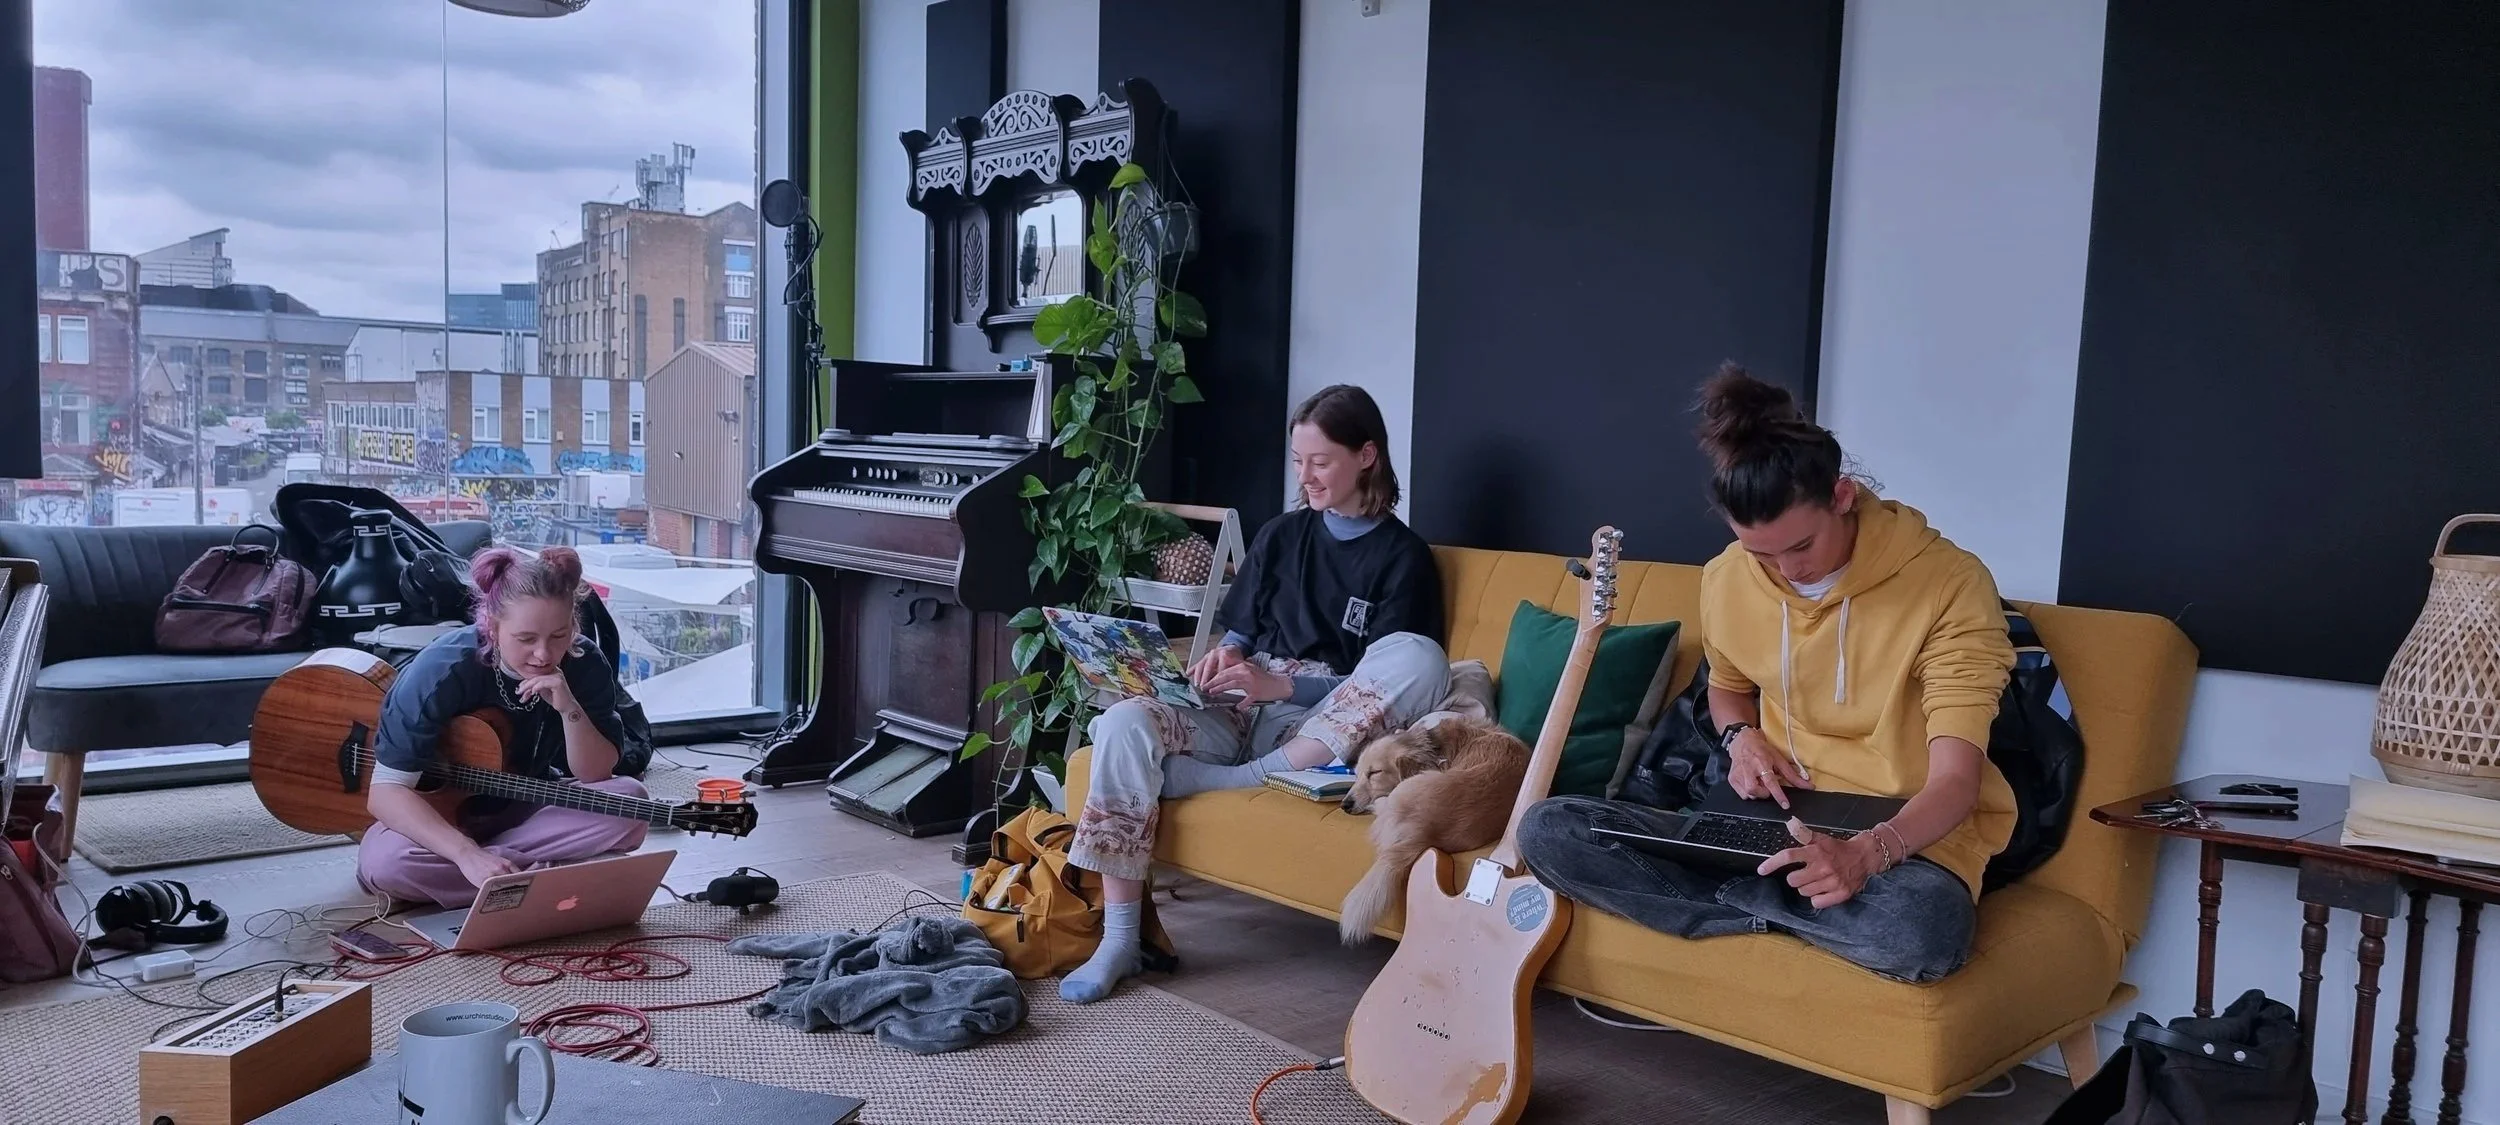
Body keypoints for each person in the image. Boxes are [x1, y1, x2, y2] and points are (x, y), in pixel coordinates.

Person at [1515, 364, 2016, 984]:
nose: (1786, 570)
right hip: (1766, 822)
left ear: (1842, 495)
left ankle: (1727, 907)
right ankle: (1786, 913)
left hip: (1901, 837)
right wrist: (1739, 739)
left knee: (1924, 929)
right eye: (1762, 554)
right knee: (1547, 828)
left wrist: (1864, 856)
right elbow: (1728, 688)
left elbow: (1957, 783)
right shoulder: (1727, 577)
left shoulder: (1950, 585)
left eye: (1801, 546)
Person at [1062, 384, 1452, 1003]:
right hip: (1239, 706)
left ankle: (1247, 778)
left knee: (1422, 655)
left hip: (1321, 726)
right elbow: (1241, 633)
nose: (1307, 476)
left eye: (1320, 461)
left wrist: (1286, 684)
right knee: (1123, 723)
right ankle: (1121, 940)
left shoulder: (1403, 559)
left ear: (1367, 455)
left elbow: (1381, 679)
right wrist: (1227, 657)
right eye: (1299, 461)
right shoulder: (1281, 534)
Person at [356, 546, 651, 909]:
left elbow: (596, 774)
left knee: (631, 801)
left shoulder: (584, 661)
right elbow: (386, 793)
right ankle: (551, 876)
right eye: (526, 639)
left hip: (525, 806)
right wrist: (466, 854)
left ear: (573, 625)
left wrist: (569, 708)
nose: (543, 654)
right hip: (441, 821)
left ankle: (499, 880)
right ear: (492, 628)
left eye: (559, 635)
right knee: (385, 864)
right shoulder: (441, 669)